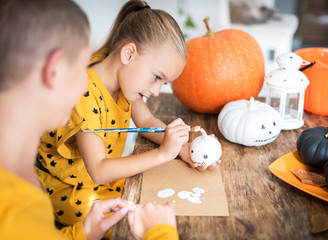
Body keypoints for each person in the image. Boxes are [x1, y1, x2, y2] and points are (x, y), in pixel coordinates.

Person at [35, 0, 221, 237]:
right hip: (71, 191)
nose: (156, 91)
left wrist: (182, 148)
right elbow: (99, 171)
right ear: (129, 53)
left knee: (149, 201)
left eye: (163, 83)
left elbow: (146, 122)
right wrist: (163, 153)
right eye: (156, 77)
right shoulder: (85, 93)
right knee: (127, 224)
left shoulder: (124, 77)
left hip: (102, 181)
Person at [0, 0, 179, 239]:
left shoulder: (22, 197)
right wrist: (161, 232)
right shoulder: (20, 210)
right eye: (79, 68)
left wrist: (80, 234)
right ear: (53, 71)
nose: (86, 80)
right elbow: (99, 170)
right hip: (77, 192)